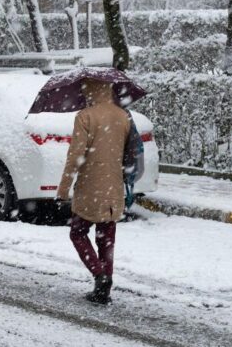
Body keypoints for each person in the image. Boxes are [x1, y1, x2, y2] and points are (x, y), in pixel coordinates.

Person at [56, 79, 143, 304]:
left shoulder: (85, 116)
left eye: (85, 89)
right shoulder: (123, 116)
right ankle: (105, 285)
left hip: (90, 186)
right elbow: (128, 153)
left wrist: (64, 188)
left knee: (77, 232)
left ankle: (99, 274)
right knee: (106, 238)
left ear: (90, 90)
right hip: (113, 185)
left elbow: (75, 156)